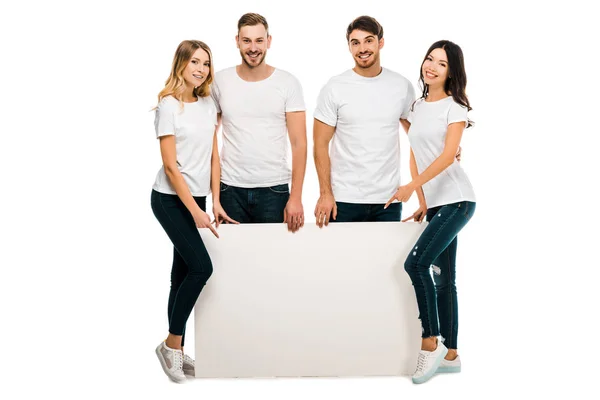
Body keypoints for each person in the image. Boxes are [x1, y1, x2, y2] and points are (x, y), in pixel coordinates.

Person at [384, 40, 476, 384]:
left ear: (452, 72)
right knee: (444, 280)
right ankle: (451, 355)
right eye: (429, 59)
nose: (432, 67)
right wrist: (421, 198)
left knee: (416, 264)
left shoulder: (455, 107)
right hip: (437, 203)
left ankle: (430, 342)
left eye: (442, 63)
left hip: (458, 200)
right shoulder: (418, 106)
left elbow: (447, 156)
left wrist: (409, 187)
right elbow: (416, 152)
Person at [150, 40, 237, 383]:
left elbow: (214, 155)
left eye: (206, 64)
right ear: (181, 64)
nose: (201, 69)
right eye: (195, 63)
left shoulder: (205, 104)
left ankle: (177, 347)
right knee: (202, 268)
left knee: (181, 274)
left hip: (198, 199)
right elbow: (171, 167)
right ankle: (171, 345)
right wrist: (195, 212)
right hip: (169, 199)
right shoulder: (167, 106)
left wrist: (213, 201)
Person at [312, 15, 415, 227]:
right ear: (349, 47)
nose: (362, 48)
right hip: (344, 200)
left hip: (387, 200)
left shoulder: (401, 86)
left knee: (386, 261)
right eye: (355, 42)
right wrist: (325, 194)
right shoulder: (335, 87)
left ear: (381, 42)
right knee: (343, 260)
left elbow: (417, 134)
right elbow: (320, 144)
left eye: (368, 40)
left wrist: (448, 147)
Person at [211, 13, 307, 232]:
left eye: (259, 40)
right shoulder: (220, 81)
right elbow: (209, 140)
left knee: (272, 260)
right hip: (230, 188)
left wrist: (296, 197)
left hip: (274, 189)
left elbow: (299, 144)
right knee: (232, 260)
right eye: (246, 41)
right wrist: (215, 196)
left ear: (269, 41)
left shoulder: (288, 83)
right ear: (237, 41)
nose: (253, 48)